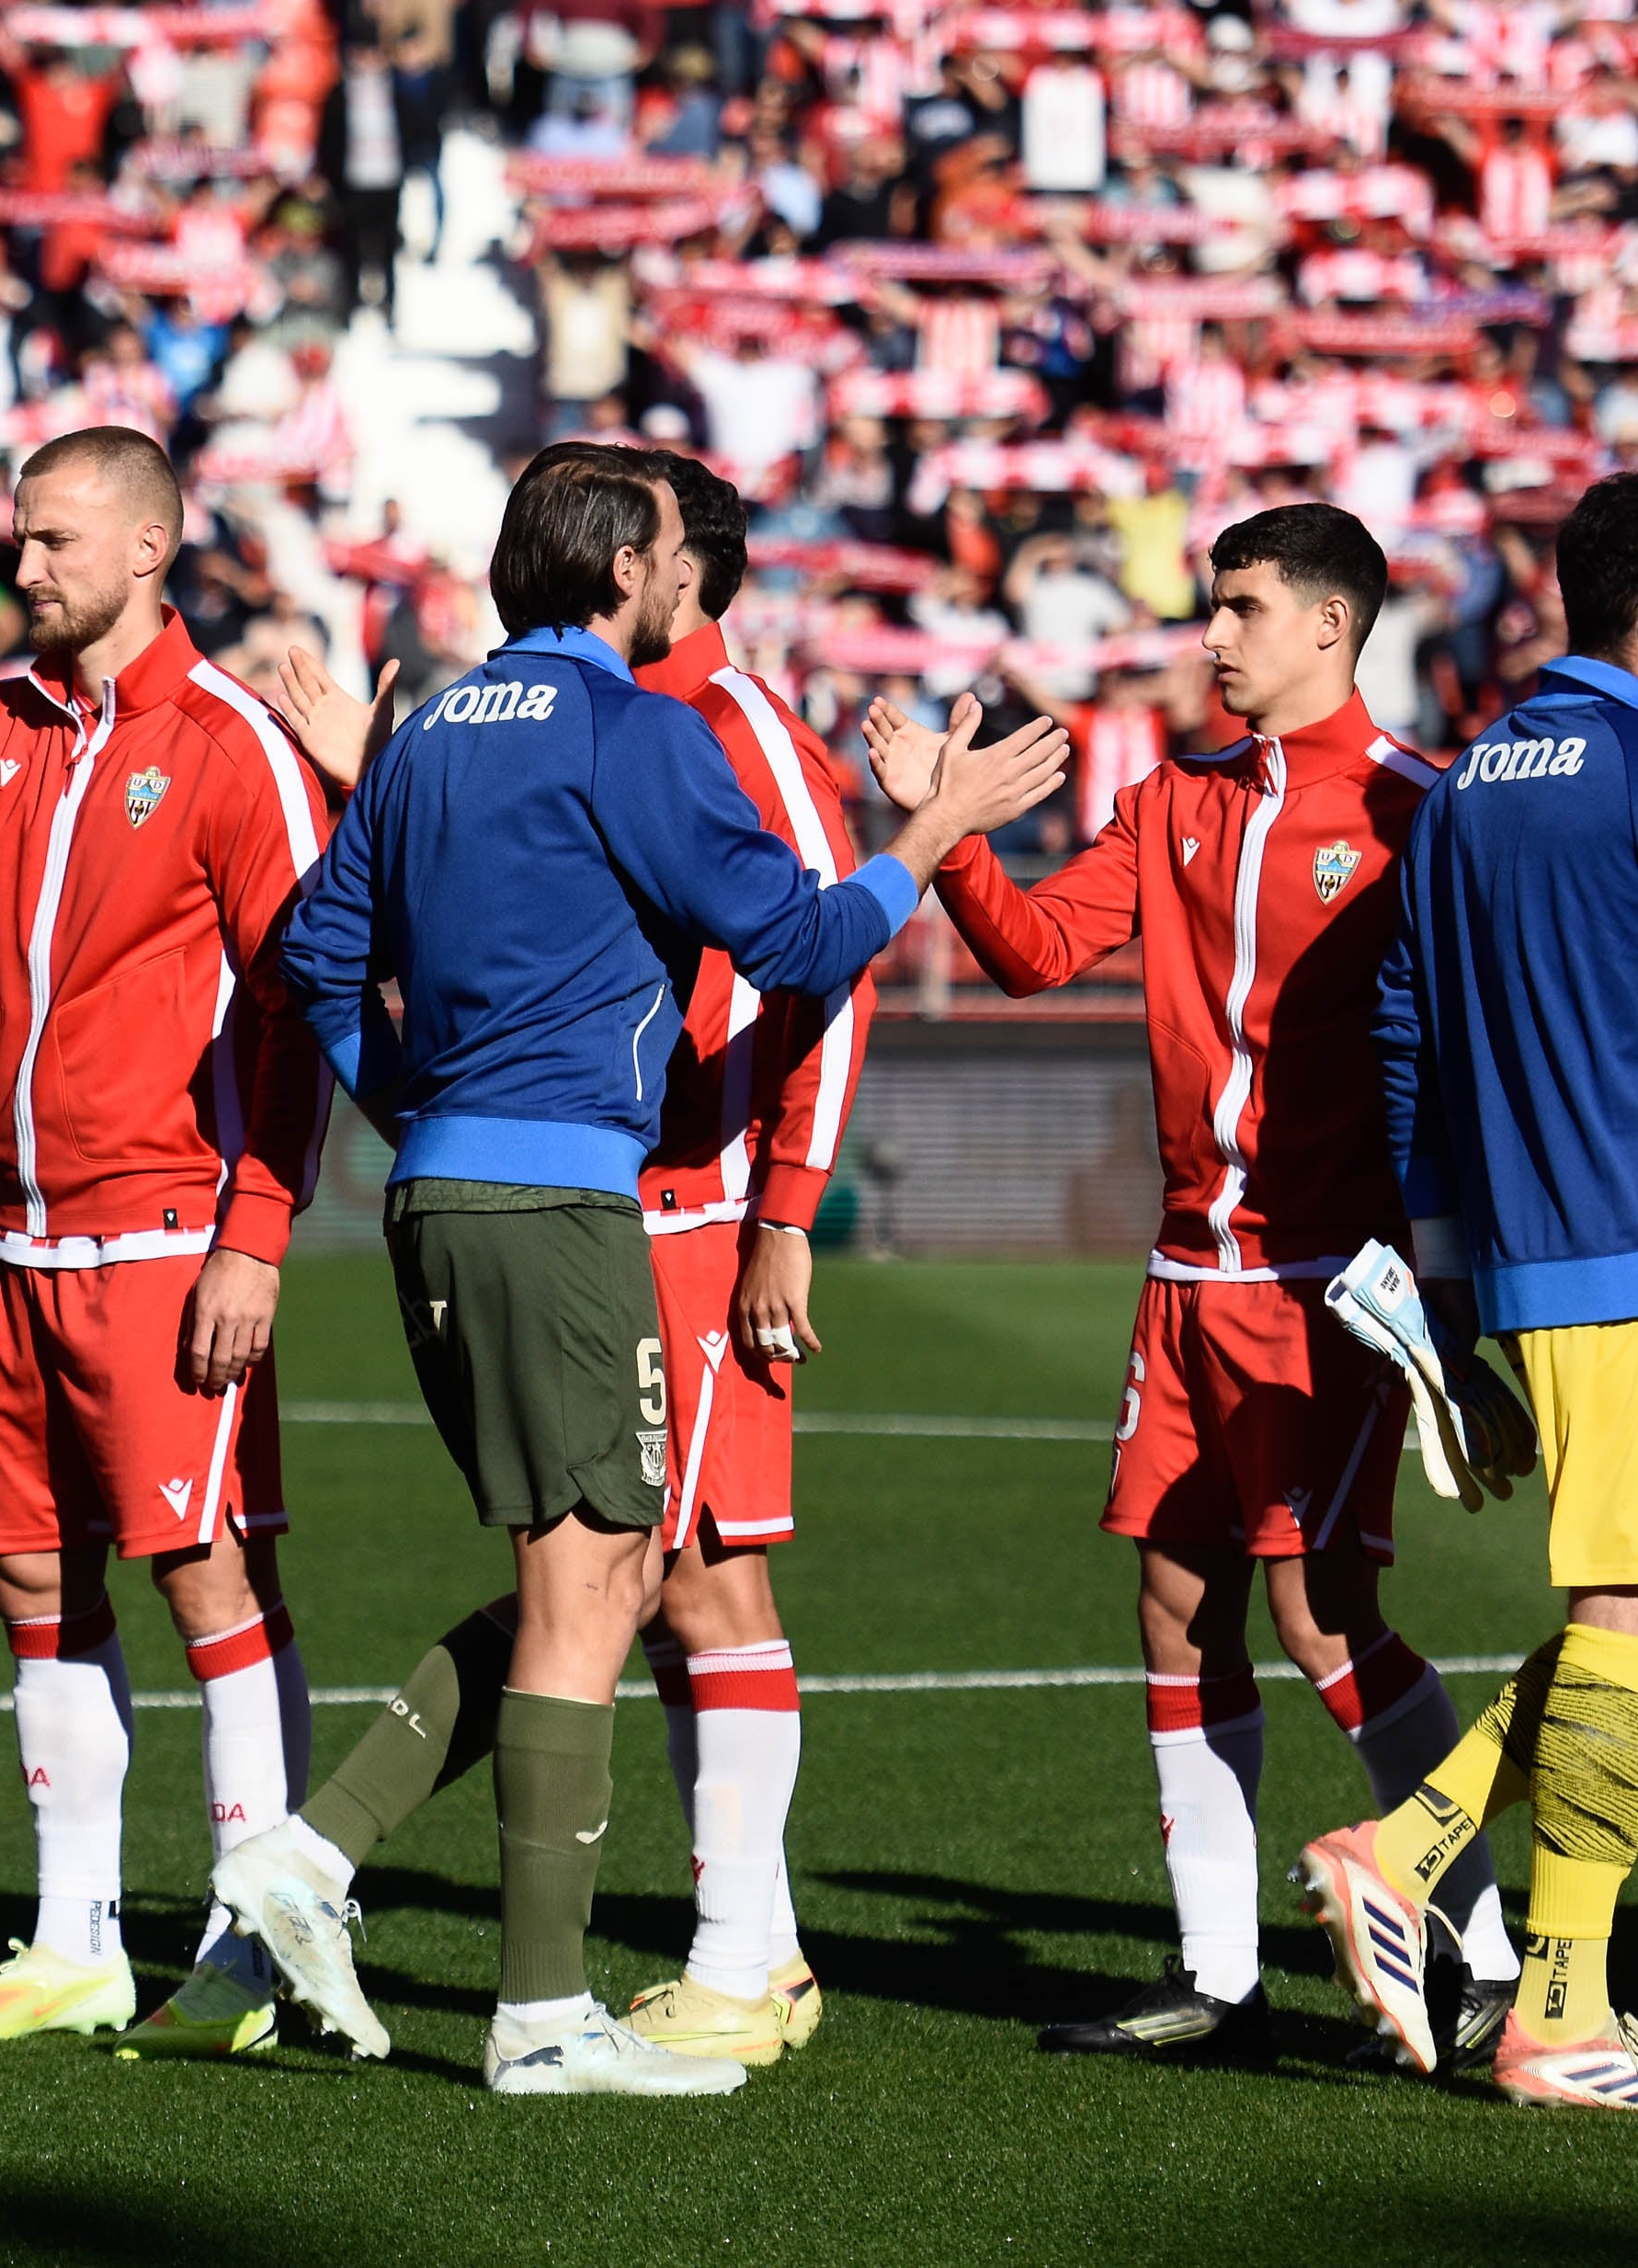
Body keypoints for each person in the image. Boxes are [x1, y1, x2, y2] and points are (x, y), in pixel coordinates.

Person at [229, 441, 1062, 2094]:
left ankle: (324, 1861)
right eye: (675, 543)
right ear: (624, 570)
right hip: (574, 1212)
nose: (691, 565)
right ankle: (538, 2011)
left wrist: (411, 1111)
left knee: (589, 1574)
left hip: (439, 1202)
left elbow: (316, 957)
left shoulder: (432, 739)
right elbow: (808, 947)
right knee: (602, 1575)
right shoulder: (644, 730)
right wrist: (940, 833)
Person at [860, 502, 1519, 2070]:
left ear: (1332, 628)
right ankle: (1219, 1982)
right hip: (1180, 1278)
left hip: (1331, 1284)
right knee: (1175, 1608)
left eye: (1239, 608)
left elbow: (1485, 1056)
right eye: (1209, 608)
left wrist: (1464, 1294)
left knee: (1322, 1612)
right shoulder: (1169, 800)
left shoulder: (1425, 808)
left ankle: (1483, 1952)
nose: (1209, 635)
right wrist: (945, 836)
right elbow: (1031, 952)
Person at [0, 426, 336, 2059]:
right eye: (16, 541)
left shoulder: (232, 743)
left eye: (49, 541)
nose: (20, 567)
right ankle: (74, 1943)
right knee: (34, 1582)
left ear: (144, 550)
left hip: (171, 1234)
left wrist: (256, 1235)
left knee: (208, 1574)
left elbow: (301, 1003)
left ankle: (254, 1940)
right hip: (16, 1242)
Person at [1301, 465, 1638, 2113]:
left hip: (1528, 1261)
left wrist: (1445, 1293)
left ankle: (1409, 1842)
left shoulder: (1470, 781)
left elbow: (1407, 1035)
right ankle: (1560, 2012)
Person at [618, 451, 864, 2068]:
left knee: (705, 1579)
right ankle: (754, 1948)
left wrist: (786, 1214)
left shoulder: (744, 729)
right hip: (606, 1212)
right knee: (642, 1594)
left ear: (681, 572)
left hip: (703, 1218)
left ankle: (745, 1960)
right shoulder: (617, 724)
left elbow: (828, 972)